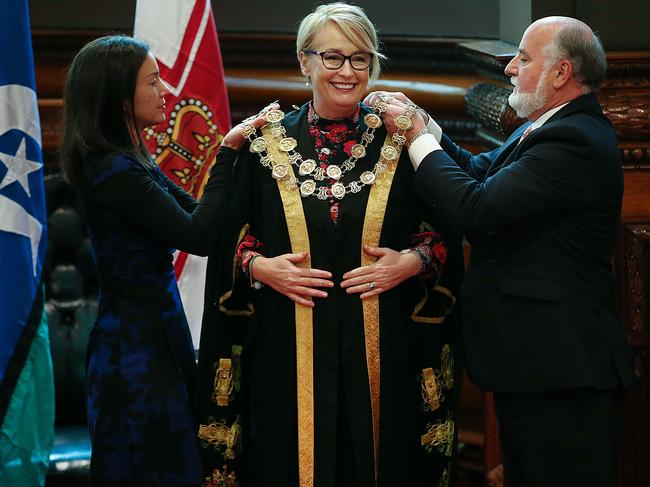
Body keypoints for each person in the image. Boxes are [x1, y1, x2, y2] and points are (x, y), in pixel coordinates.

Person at [196, 3, 463, 487]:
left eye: (361, 59)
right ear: (305, 63)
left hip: (386, 346)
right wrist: (259, 268)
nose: (347, 71)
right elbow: (224, 238)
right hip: (286, 346)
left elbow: (448, 224)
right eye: (332, 57)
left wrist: (411, 261)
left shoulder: (403, 140)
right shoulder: (264, 144)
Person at [369, 16, 633, 487]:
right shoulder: (543, 127)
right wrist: (426, 124)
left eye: (524, 58)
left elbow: (476, 208)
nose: (510, 67)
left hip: (562, 374)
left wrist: (414, 137)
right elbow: (474, 170)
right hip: (535, 367)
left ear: (561, 73)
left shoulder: (573, 140)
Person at [59, 35, 268, 486]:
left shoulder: (133, 160)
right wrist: (229, 149)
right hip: (133, 355)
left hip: (157, 336)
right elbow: (200, 236)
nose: (165, 93)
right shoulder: (114, 171)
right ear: (119, 98)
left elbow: (196, 214)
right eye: (153, 82)